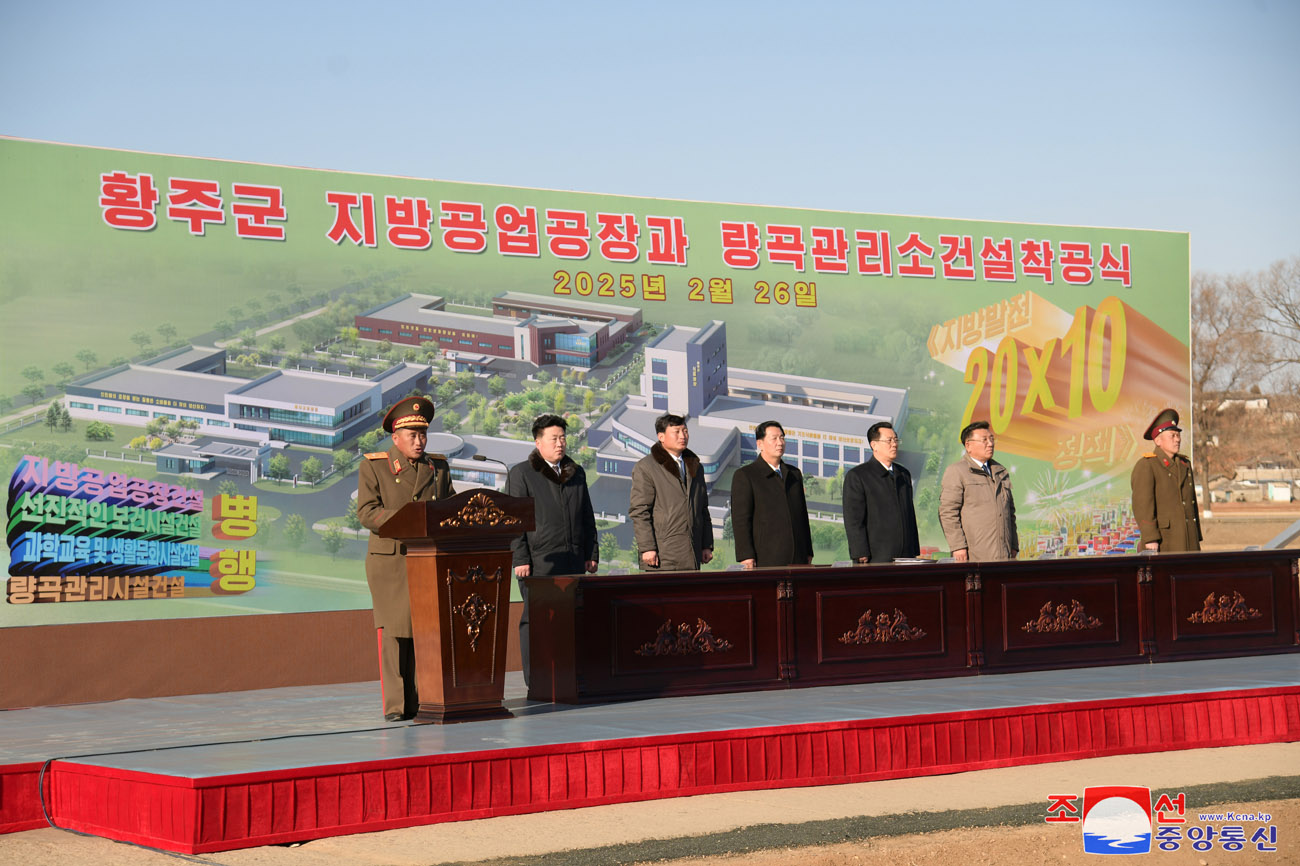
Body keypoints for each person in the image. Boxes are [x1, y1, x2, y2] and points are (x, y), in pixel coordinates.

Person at [356, 395, 455, 722]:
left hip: (427, 560)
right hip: (392, 562)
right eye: (412, 435)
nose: (419, 441)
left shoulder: (437, 467)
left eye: (422, 434)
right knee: (396, 633)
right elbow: (367, 513)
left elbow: (450, 508)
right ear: (395, 438)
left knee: (425, 633)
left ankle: (424, 699)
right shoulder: (375, 465)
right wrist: (409, 521)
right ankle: (398, 707)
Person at [505, 414, 598, 685]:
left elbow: (587, 516)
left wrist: (591, 554)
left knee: (570, 621)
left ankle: (568, 676)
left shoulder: (576, 472)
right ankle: (537, 678)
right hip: (538, 561)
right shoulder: (522, 473)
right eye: (554, 438)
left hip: (572, 559)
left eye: (563, 438)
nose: (560, 444)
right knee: (537, 621)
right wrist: (521, 557)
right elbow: (514, 521)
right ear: (538, 442)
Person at [629, 413, 714, 572]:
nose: (683, 436)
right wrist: (647, 547)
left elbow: (702, 509)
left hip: (692, 552)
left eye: (685, 431)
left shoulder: (695, 466)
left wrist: (706, 545)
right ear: (661, 436)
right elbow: (640, 511)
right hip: (663, 555)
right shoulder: (646, 467)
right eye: (676, 432)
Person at [730, 420, 814, 568]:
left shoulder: (794, 474)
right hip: (766, 556)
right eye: (774, 438)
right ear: (760, 444)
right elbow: (741, 520)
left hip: (798, 555)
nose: (780, 442)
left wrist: (808, 550)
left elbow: (802, 515)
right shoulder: (746, 475)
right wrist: (746, 555)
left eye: (782, 438)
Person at [938, 420, 1018, 561]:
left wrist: (1013, 545)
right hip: (973, 556)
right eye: (984, 440)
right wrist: (957, 546)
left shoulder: (1001, 472)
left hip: (1004, 555)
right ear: (968, 446)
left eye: (991, 439)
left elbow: (1010, 513)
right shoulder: (957, 471)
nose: (990, 444)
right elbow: (947, 512)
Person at [842, 421, 920, 563]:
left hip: (906, 555)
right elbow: (853, 519)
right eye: (889, 440)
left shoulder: (903, 474)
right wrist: (860, 551)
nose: (894, 444)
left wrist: (914, 548)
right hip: (877, 555)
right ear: (874, 445)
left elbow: (910, 514)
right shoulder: (858, 476)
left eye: (896, 440)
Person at [1131, 408, 1202, 552]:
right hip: (1164, 542)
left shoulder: (1184, 465)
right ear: (1158, 440)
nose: (1178, 439)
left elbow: (1191, 504)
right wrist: (1151, 538)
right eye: (1172, 435)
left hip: (1188, 540)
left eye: (1178, 435)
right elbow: (1143, 506)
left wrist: (1196, 535)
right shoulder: (1147, 465)